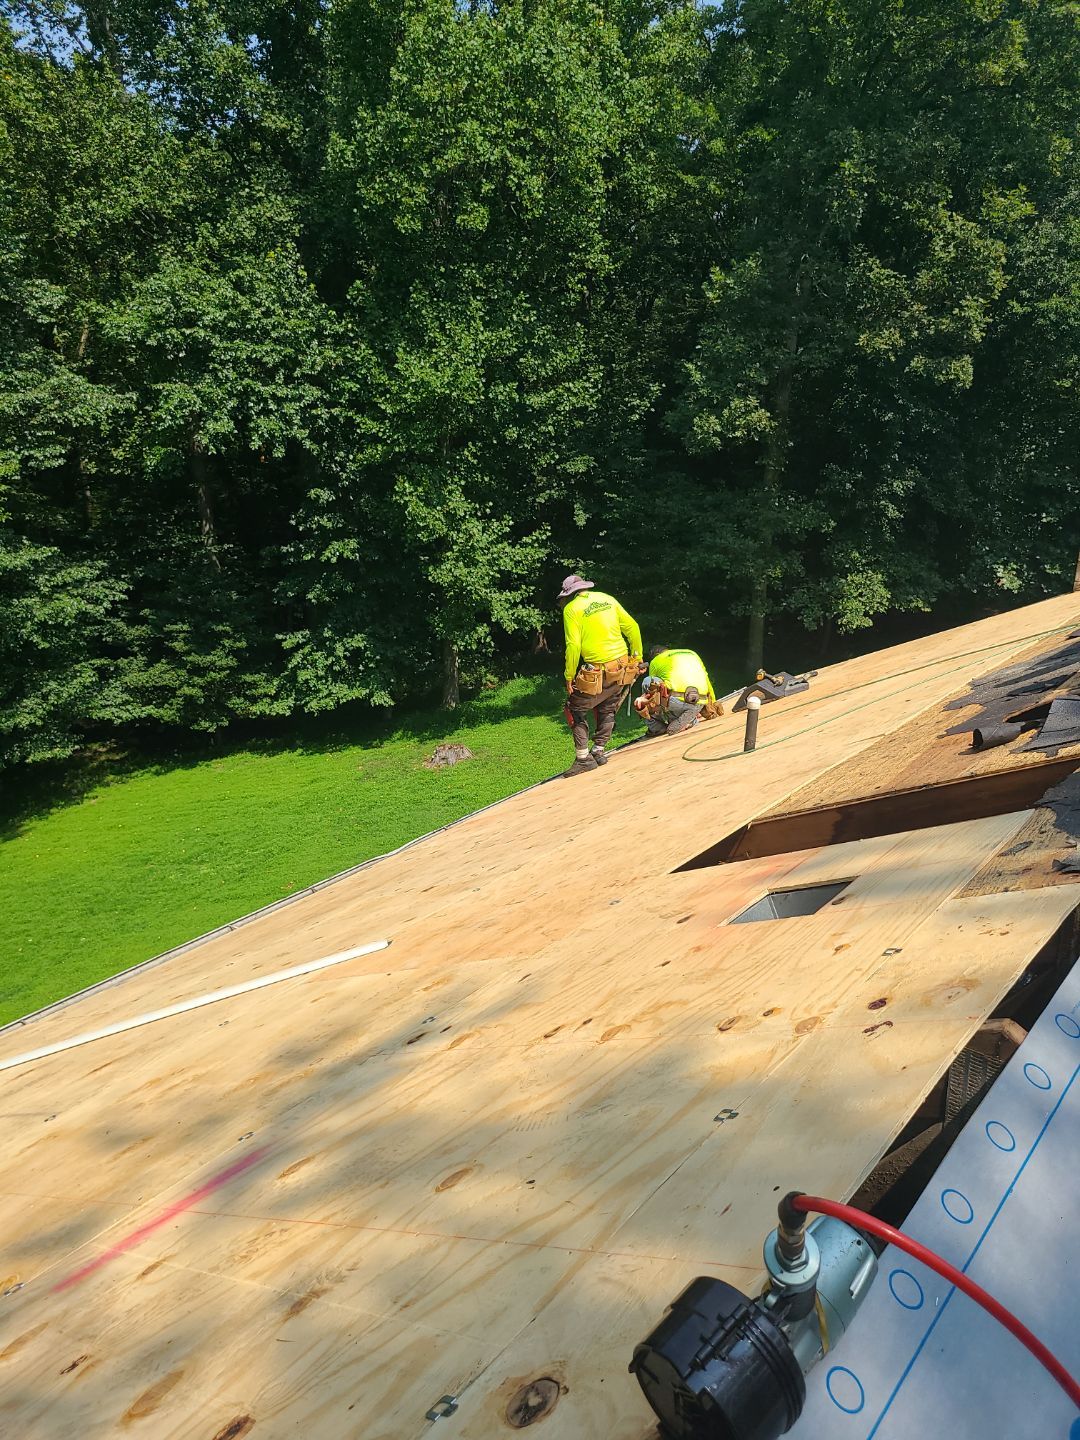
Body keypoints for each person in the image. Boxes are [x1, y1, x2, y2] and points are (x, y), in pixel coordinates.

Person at [558, 574, 642, 777]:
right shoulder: (607, 598)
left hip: (598, 669)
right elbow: (632, 627)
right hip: (622, 665)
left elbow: (573, 645)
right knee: (608, 706)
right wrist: (637, 657)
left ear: (568, 595)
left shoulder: (572, 609)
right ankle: (598, 751)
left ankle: (583, 759)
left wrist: (569, 675)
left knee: (574, 708)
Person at [636, 643, 716, 737]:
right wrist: (713, 702)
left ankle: (657, 728)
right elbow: (706, 679)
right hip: (700, 700)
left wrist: (641, 702)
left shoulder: (655, 661)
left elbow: (652, 691)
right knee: (668, 688)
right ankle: (691, 716)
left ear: (656, 655)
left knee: (648, 682)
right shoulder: (691, 653)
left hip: (678, 701)